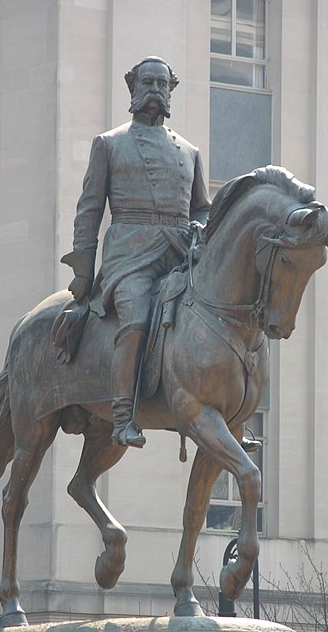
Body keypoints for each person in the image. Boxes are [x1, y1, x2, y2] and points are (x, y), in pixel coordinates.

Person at [61, 56, 211, 448]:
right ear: (132, 88)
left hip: (180, 251)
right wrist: (83, 267)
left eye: (163, 85)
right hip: (131, 252)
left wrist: (201, 226)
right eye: (148, 83)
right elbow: (90, 208)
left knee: (216, 314)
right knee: (137, 319)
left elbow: (202, 207)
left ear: (171, 91)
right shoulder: (109, 144)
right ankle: (123, 416)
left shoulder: (190, 151)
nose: (155, 91)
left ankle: (222, 410)